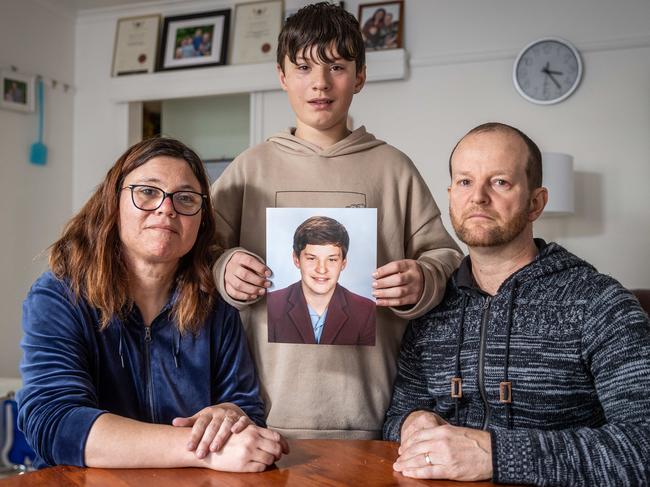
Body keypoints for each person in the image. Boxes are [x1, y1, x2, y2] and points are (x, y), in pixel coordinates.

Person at [210, 2, 462, 440]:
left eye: (337, 67)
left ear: (360, 76)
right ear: (282, 76)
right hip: (260, 415)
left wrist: (423, 279)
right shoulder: (249, 168)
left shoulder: (393, 168)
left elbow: (447, 256)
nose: (320, 83)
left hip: (372, 411)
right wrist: (222, 267)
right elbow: (196, 251)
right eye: (304, 67)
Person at [383, 123, 650, 485]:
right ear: (450, 196)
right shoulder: (431, 306)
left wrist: (497, 455)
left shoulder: (600, 305)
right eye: (464, 182)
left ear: (536, 202)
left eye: (500, 182)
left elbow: (642, 446)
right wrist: (413, 422)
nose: (477, 197)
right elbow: (396, 416)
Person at [17, 137, 288, 471]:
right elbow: (56, 424)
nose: (166, 208)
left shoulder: (215, 304)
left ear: (200, 221)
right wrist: (203, 450)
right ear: (112, 202)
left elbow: (246, 405)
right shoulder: (59, 297)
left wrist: (229, 416)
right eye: (147, 191)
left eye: (186, 198)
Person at [267, 216, 375, 345]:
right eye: (312, 258)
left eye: (332, 259)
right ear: (296, 260)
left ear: (343, 263)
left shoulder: (366, 311)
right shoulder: (271, 305)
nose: (322, 269)